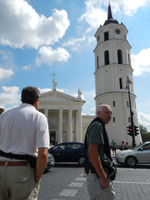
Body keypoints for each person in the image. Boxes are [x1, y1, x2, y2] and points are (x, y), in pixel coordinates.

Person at [0, 86, 50, 200]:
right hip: (22, 173)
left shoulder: (3, 116)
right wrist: (37, 177)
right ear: (37, 101)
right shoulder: (38, 117)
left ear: (21, 99)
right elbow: (43, 154)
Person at [85, 104, 116, 200]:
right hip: (98, 177)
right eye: (107, 112)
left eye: (111, 113)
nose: (110, 115)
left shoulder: (98, 125)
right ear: (98, 113)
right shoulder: (97, 125)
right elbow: (92, 151)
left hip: (96, 176)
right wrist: (103, 177)